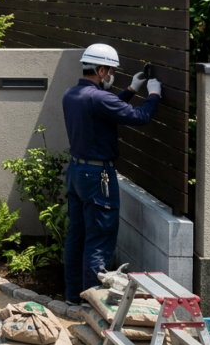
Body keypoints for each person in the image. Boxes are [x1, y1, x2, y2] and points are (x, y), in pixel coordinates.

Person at [63, 43, 161, 303]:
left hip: (76, 172)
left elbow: (107, 108)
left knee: (77, 235)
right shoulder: (98, 98)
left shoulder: (72, 94)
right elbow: (139, 117)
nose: (112, 75)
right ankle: (91, 303)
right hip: (98, 177)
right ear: (102, 69)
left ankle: (73, 296)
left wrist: (130, 89)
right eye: (111, 71)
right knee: (99, 240)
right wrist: (153, 95)